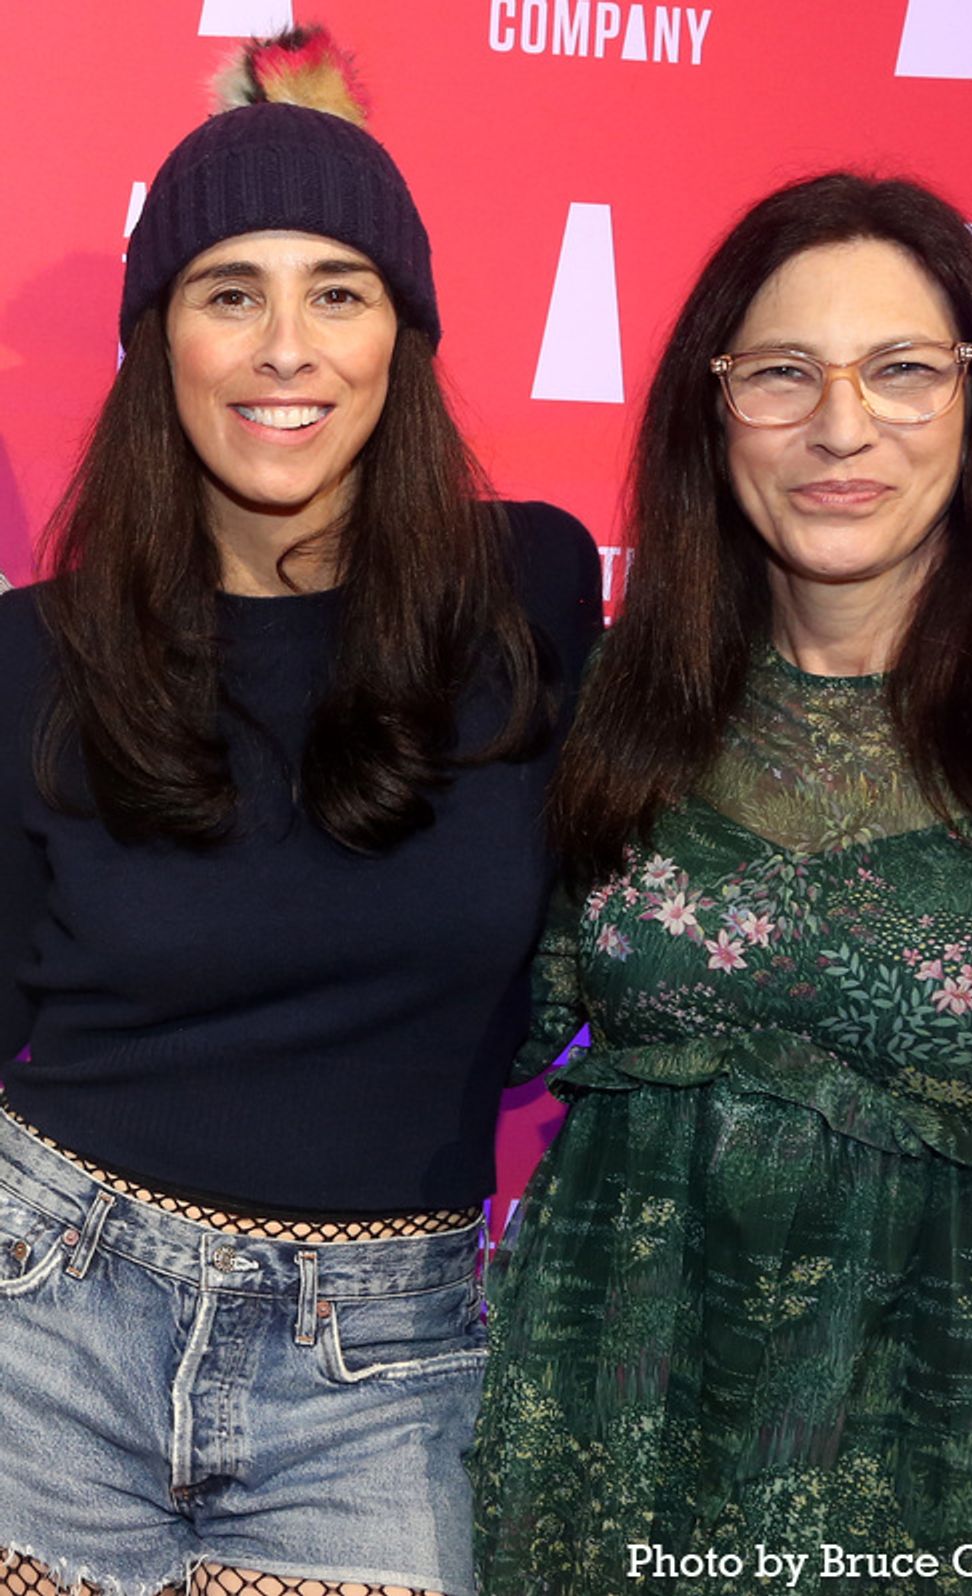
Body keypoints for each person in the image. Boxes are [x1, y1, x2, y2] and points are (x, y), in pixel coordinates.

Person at [470, 172, 972, 1593]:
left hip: (966, 1465)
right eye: (785, 375)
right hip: (599, 1452)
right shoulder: (610, 697)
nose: (842, 427)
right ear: (713, 405)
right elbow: (435, 1025)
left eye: (904, 372)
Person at [0, 27, 600, 1596]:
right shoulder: (30, 655)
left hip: (387, 1378)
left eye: (338, 291)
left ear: (402, 334)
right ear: (159, 340)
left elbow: (735, 904)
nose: (287, 348)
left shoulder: (530, 593)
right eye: (228, 293)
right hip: (42, 1315)